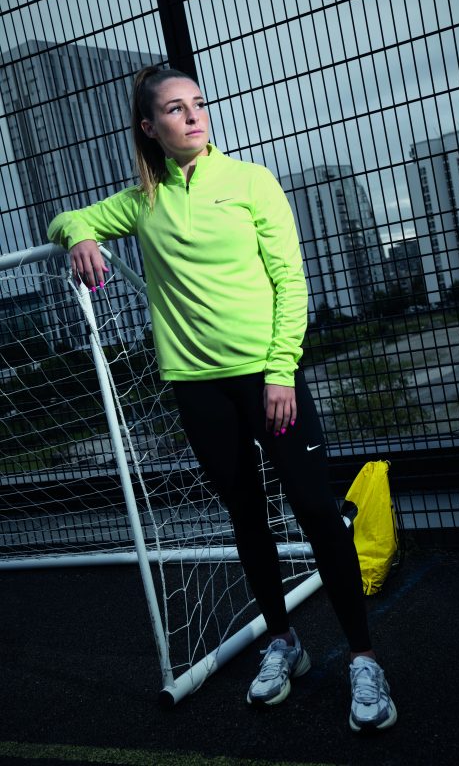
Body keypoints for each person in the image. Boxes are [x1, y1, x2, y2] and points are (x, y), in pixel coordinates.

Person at [47, 65, 397, 731]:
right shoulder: (142, 202)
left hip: (268, 379)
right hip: (197, 388)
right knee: (247, 518)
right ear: (150, 127)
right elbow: (65, 217)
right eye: (175, 109)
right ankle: (283, 643)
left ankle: (363, 657)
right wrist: (81, 235)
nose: (193, 116)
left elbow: (290, 279)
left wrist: (280, 371)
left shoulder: (250, 182)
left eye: (198, 104)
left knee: (317, 512)